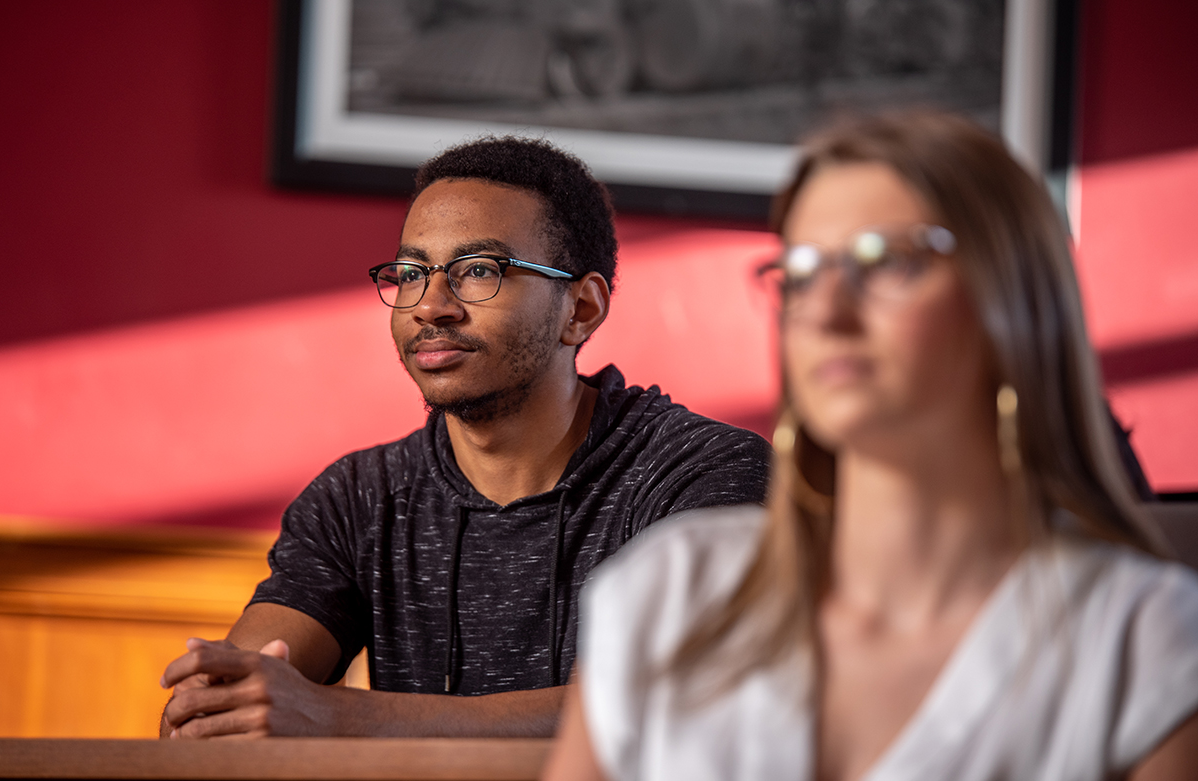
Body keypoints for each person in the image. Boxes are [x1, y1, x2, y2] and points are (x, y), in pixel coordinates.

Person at [544, 112, 1198, 780]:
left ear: (1011, 298)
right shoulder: (669, 591)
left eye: (886, 262)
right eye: (800, 273)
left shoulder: (1147, 641)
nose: (827, 313)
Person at [159, 136, 772, 739]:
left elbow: (675, 703)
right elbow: (223, 710)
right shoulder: (358, 498)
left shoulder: (704, 475)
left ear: (580, 309)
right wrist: (215, 709)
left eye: (477, 271)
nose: (430, 306)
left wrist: (339, 717)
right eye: (411, 272)